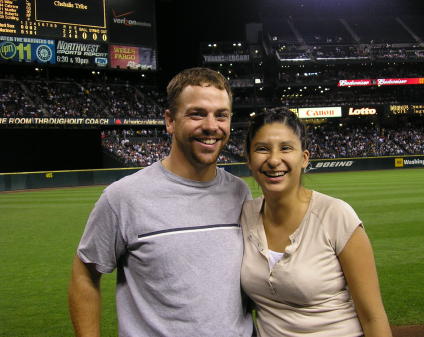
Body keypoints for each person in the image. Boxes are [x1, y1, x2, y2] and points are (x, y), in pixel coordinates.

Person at [68, 67, 253, 337]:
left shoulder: (240, 192)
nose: (211, 126)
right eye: (197, 113)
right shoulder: (123, 197)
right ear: (170, 121)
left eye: (221, 115)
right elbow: (84, 275)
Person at [240, 107, 392, 337]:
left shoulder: (336, 215)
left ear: (304, 158)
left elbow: (373, 317)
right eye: (262, 149)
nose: (273, 160)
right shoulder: (245, 216)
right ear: (249, 160)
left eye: (286, 148)